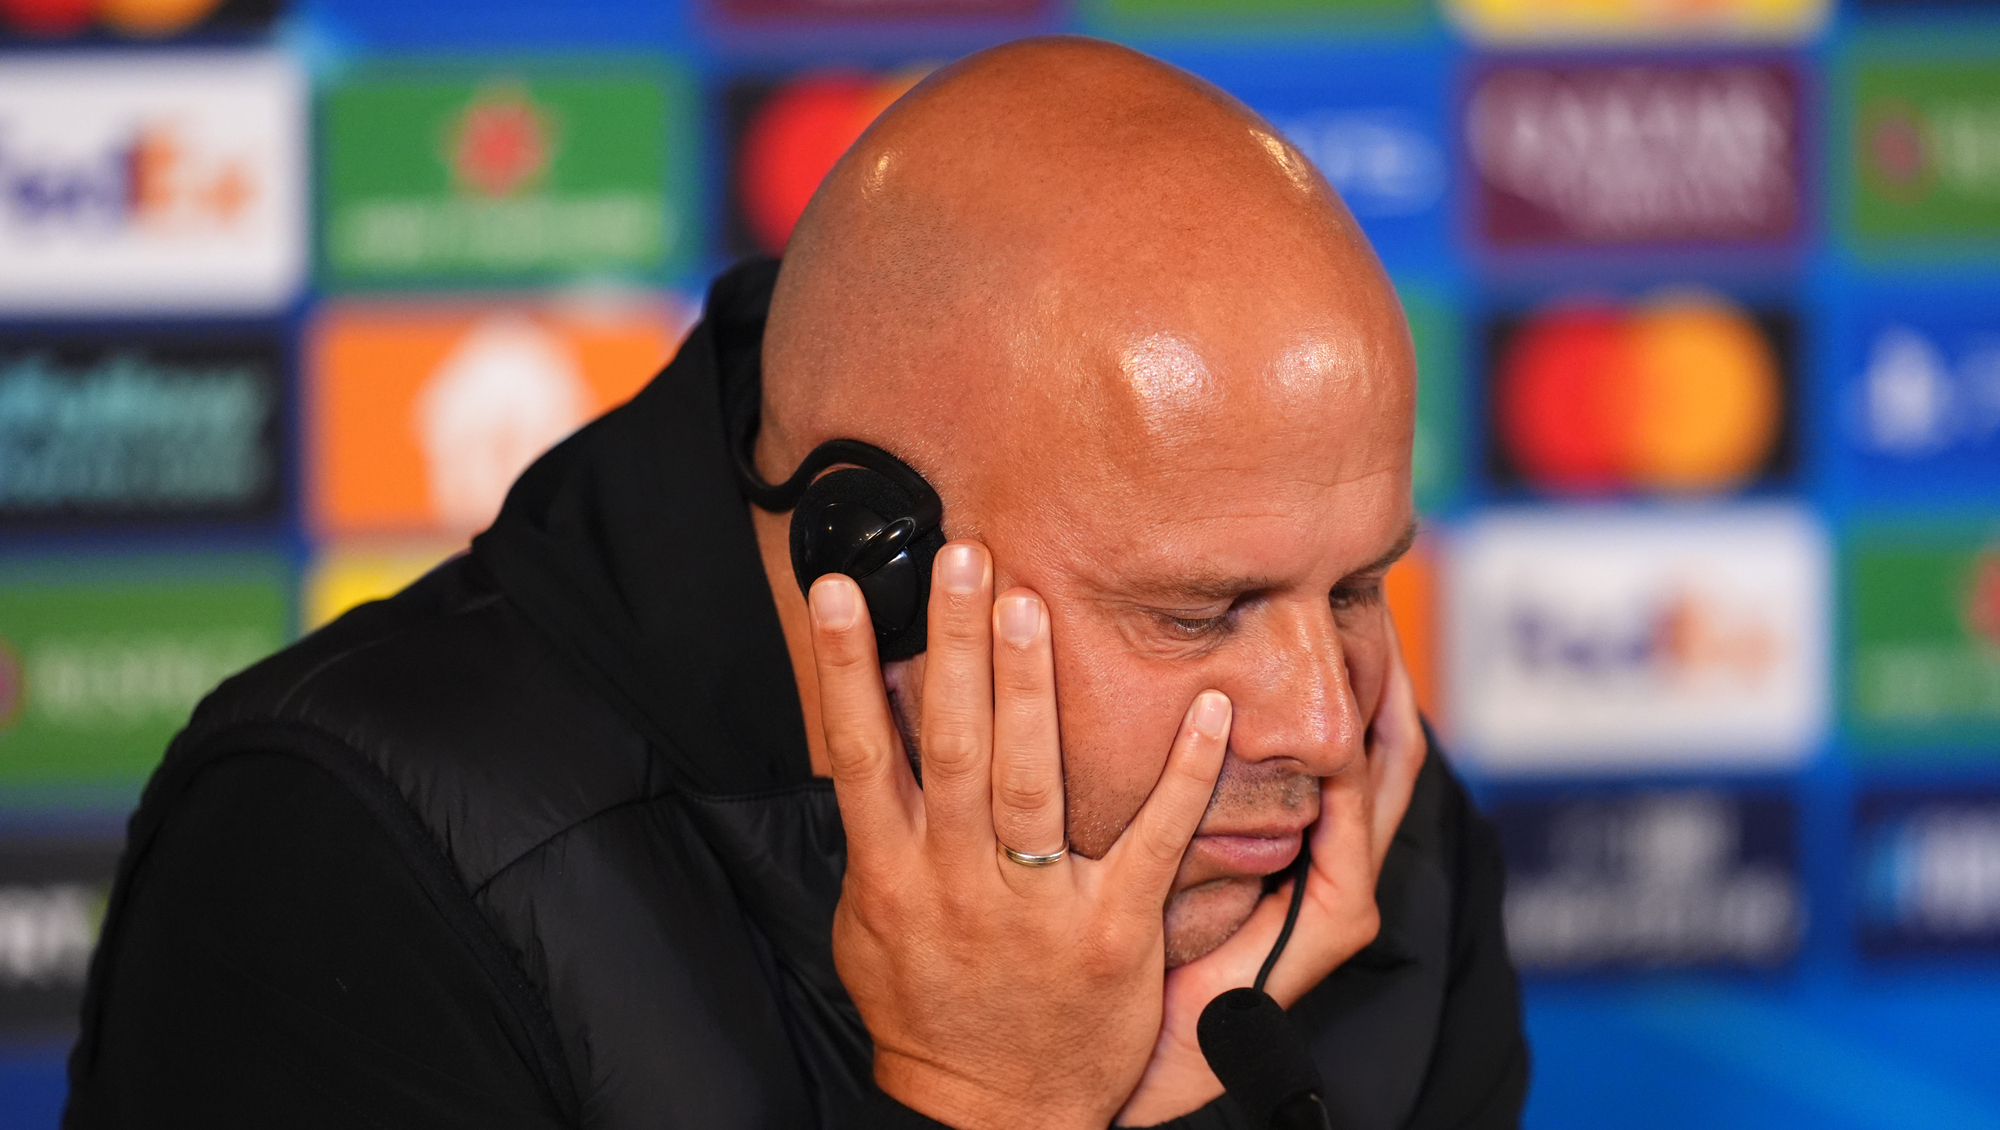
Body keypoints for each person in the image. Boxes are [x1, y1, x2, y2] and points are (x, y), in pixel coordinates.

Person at [64, 36, 1526, 1130]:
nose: (1320, 723)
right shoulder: (343, 855)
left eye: (1356, 589)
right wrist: (993, 1105)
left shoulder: (1366, 835)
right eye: (1198, 612)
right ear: (869, 555)